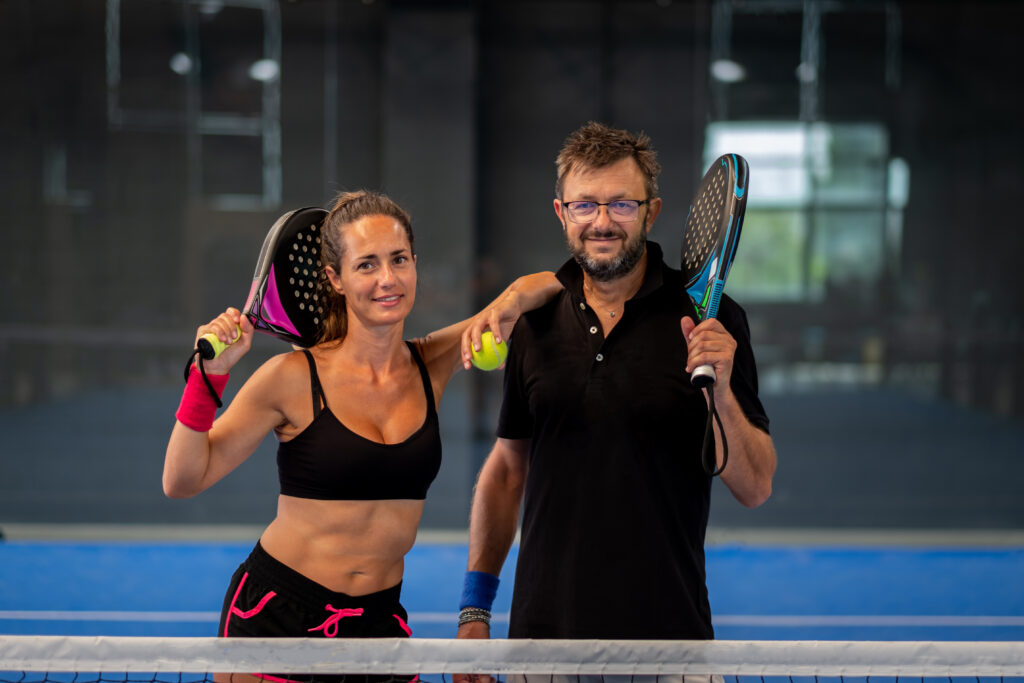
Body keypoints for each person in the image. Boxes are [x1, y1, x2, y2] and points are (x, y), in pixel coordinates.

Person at [164, 190, 560, 682]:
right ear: (336, 278)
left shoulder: (432, 363)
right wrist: (209, 377)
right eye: (367, 265)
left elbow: (551, 285)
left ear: (416, 263)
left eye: (399, 260)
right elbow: (182, 478)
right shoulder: (290, 377)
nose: (387, 279)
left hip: (378, 623)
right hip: (276, 616)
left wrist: (507, 303)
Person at [455, 122, 777, 644]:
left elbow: (755, 486)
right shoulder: (534, 321)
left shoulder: (715, 323)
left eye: (621, 205)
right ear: (562, 213)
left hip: (671, 641)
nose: (601, 222)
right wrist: (475, 609)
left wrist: (719, 392)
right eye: (585, 205)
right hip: (542, 641)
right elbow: (508, 471)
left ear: (651, 211)